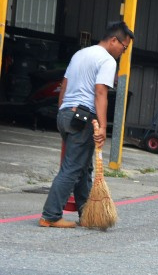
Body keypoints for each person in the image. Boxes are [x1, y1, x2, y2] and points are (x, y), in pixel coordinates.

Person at [39, 21, 134, 228]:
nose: (123, 52)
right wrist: (102, 126)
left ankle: (86, 214)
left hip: (66, 114)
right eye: (124, 48)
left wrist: (62, 112)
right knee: (73, 168)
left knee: (83, 167)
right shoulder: (107, 61)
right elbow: (100, 92)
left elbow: (64, 86)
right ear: (114, 40)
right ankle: (50, 215)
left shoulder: (80, 54)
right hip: (83, 118)